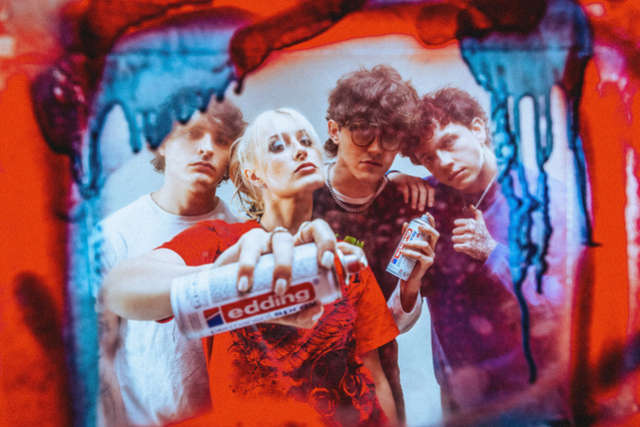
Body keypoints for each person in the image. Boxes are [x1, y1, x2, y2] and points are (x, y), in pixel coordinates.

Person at [101, 108, 436, 426]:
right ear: (253, 174)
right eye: (277, 146)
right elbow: (120, 288)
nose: (300, 151)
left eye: (306, 141)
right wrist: (224, 281)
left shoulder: (343, 256)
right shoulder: (221, 241)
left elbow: (374, 375)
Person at [395, 87, 579, 425]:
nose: (443, 163)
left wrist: (493, 254)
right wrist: (391, 178)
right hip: (463, 400)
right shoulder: (428, 198)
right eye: (427, 157)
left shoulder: (543, 200)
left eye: (449, 142)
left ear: (478, 129)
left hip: (535, 400)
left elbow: (565, 308)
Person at [91, 93, 246, 426]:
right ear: (163, 142)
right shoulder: (114, 235)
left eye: (221, 140)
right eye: (192, 133)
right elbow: (100, 352)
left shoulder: (244, 237)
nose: (206, 148)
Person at [312, 64, 436, 423]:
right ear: (334, 130)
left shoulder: (407, 207)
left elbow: (395, 325)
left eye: (390, 137)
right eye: (363, 132)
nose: (377, 148)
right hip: (302, 373)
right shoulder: (302, 195)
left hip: (377, 375)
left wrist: (411, 287)